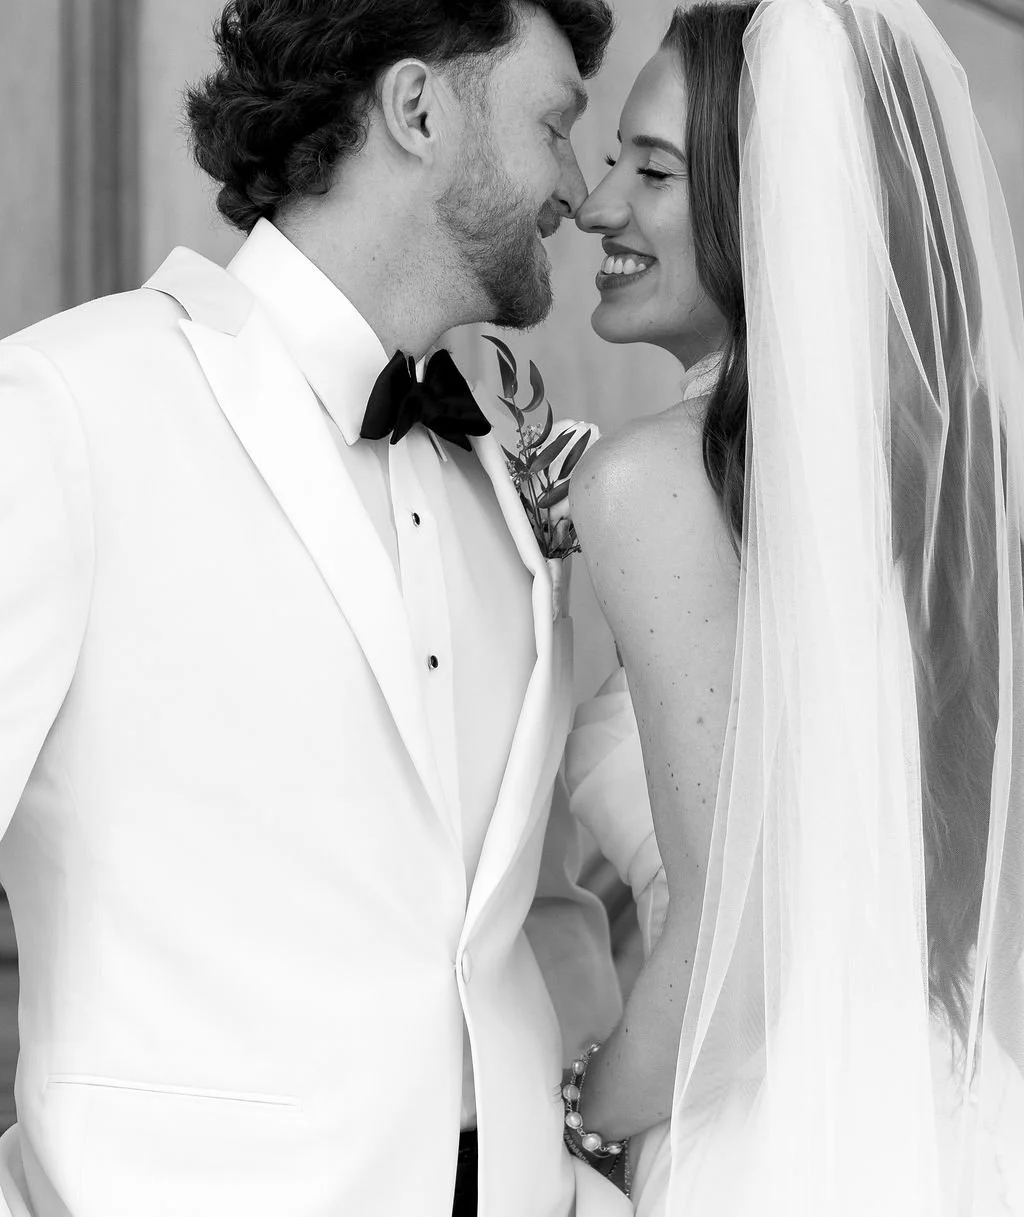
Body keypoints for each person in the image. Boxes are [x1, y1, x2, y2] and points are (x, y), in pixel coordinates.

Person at [0, 2, 631, 1215]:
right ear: (417, 109)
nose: (573, 185)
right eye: (554, 126)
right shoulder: (68, 409)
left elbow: (525, 916)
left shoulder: (500, 478)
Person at [561, 0, 1024, 1212]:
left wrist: (574, 1110)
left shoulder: (648, 484)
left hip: (773, 1143)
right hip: (952, 1122)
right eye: (610, 161)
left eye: (651, 171)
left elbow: (744, 950)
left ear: (764, 200)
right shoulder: (949, 491)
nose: (597, 206)